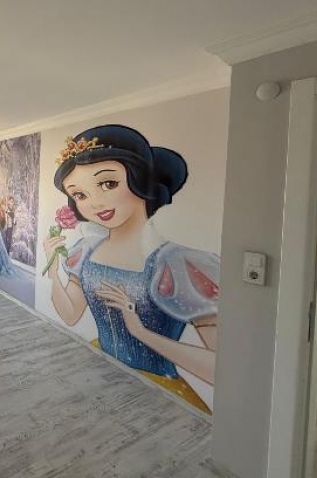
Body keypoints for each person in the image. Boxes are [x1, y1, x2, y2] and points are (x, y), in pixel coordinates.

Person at [43, 124, 219, 413]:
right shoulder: (86, 251)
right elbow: (71, 315)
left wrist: (141, 332)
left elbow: (220, 368)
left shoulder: (177, 264)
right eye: (80, 195)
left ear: (141, 181)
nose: (95, 203)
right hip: (99, 369)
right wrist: (52, 271)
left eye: (108, 184)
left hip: (158, 391)